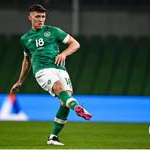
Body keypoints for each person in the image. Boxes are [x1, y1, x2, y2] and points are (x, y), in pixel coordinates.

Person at [10, 4, 92, 146]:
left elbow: (75, 44)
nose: (41, 20)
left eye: (43, 17)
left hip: (60, 69)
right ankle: (78, 108)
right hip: (42, 70)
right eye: (37, 17)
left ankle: (53, 137)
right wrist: (20, 81)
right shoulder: (25, 39)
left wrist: (64, 53)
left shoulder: (54, 31)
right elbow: (27, 60)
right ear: (30, 18)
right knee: (60, 89)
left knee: (64, 101)